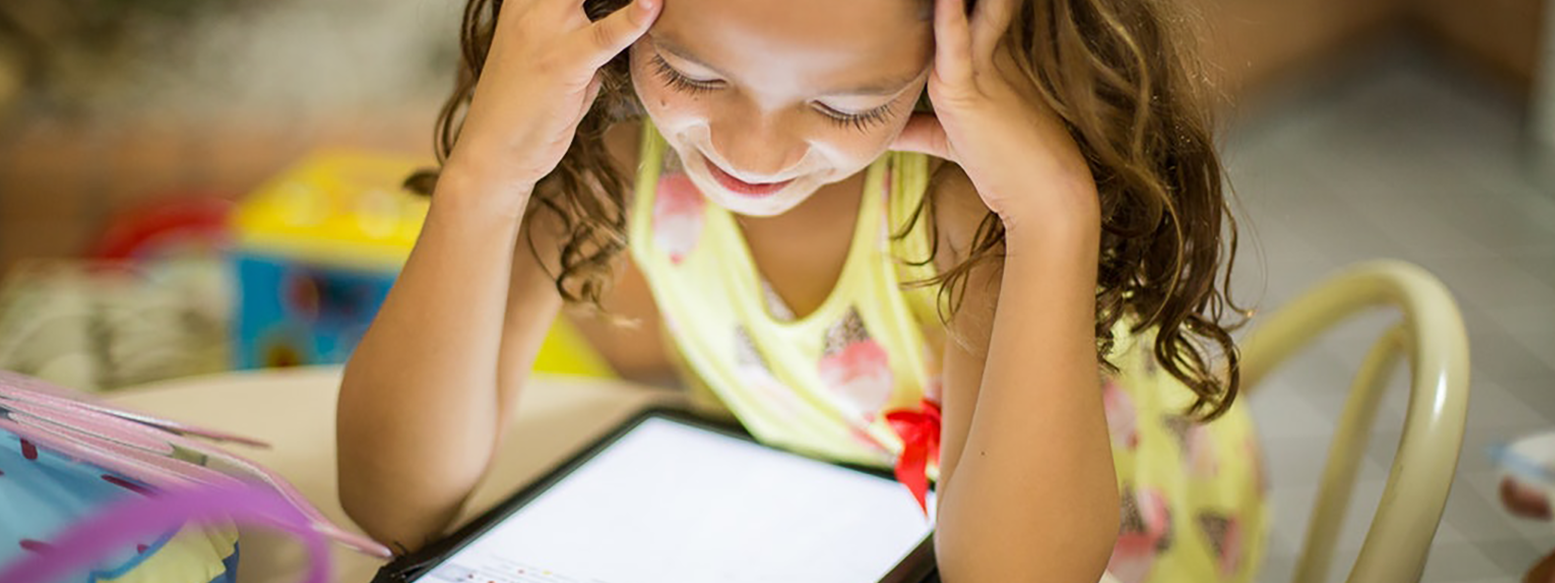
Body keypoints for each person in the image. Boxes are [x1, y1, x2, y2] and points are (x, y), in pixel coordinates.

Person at [335, 0, 1267, 580]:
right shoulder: (613, 141)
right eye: (689, 73)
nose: (752, 155)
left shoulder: (969, 204)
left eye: (848, 104)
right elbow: (392, 500)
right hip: (836, 511)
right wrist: (486, 173)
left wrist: (1054, 212)